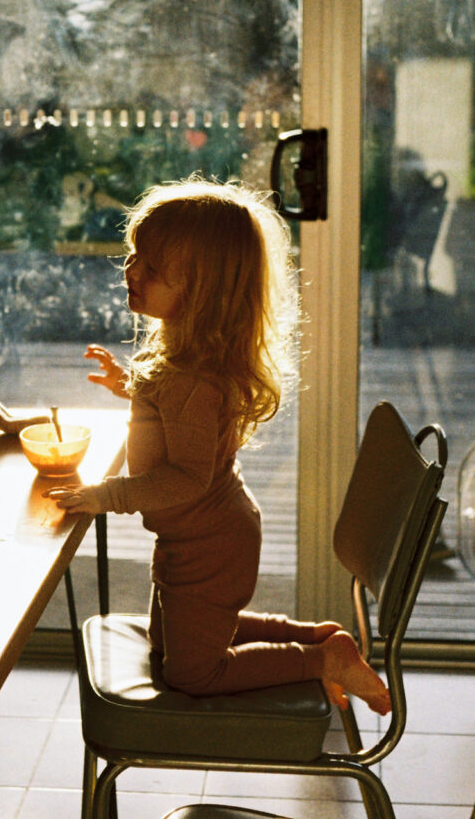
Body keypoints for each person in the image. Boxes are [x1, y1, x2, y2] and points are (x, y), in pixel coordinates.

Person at [46, 177, 391, 715]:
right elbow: (170, 413)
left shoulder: (192, 382)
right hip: (200, 537)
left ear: (202, 293)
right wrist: (130, 387)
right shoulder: (186, 365)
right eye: (135, 256)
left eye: (153, 269)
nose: (131, 271)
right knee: (174, 643)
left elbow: (185, 478)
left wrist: (105, 495)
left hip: (209, 546)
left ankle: (323, 661)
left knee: (192, 672)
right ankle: (319, 638)